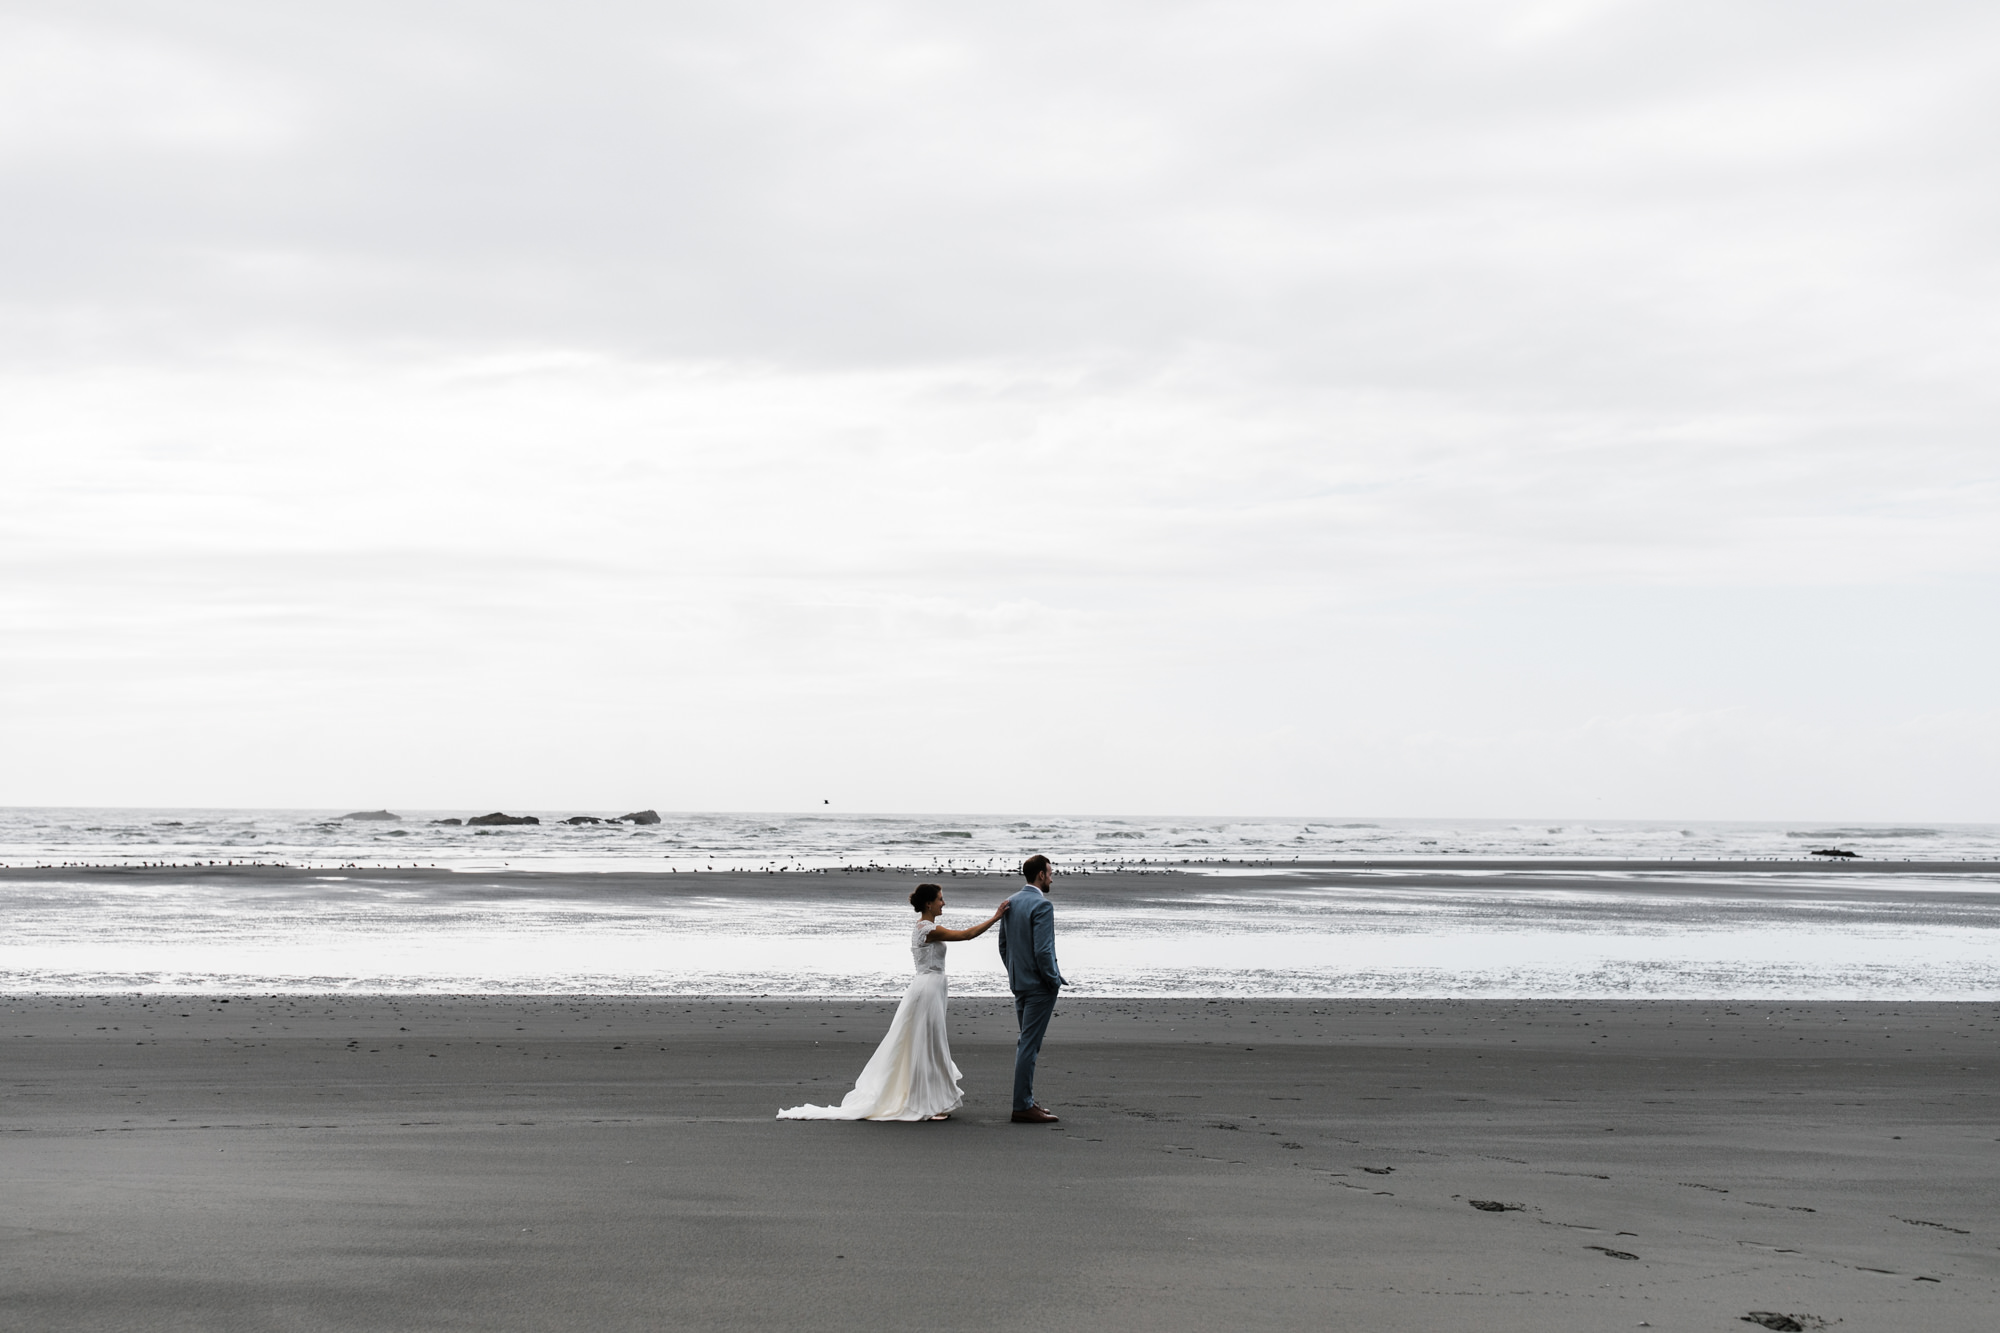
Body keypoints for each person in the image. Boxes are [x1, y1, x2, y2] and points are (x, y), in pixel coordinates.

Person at [777, 884, 1006, 1122]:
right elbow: (966, 935)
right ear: (928, 903)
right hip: (927, 990)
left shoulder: (926, 927)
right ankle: (925, 1101)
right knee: (926, 1044)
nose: (943, 903)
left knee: (928, 1043)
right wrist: (996, 917)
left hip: (932, 988)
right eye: (940, 899)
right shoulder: (927, 929)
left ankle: (931, 1100)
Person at [997, 853, 1067, 1123]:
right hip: (1039, 986)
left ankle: (1025, 1100)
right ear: (1040, 874)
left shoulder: (1011, 902)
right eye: (1050, 872)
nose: (1051, 877)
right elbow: (1043, 950)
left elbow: (1003, 947)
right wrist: (1052, 980)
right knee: (1029, 1044)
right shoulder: (1042, 906)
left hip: (1019, 983)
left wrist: (1015, 972)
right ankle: (1023, 1105)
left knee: (1025, 1041)